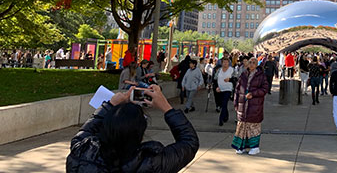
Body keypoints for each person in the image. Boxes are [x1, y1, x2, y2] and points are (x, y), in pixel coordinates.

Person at [66, 85, 199, 172]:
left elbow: (85, 132)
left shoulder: (81, 152)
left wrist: (110, 104)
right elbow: (189, 143)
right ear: (140, 134)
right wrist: (166, 107)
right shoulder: (151, 163)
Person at [232, 57, 269, 155]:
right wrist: (236, 102)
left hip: (255, 105)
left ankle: (255, 147)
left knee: (253, 127)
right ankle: (241, 146)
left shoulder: (261, 76)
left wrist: (253, 93)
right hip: (242, 104)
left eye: (254, 62)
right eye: (250, 62)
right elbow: (237, 89)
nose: (251, 64)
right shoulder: (243, 75)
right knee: (241, 126)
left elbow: (265, 89)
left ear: (257, 64)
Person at [216, 58, 234, 126]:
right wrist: (216, 87)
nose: (225, 63)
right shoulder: (219, 70)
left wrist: (230, 79)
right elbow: (215, 78)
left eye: (226, 62)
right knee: (223, 104)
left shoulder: (231, 70)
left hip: (228, 89)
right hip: (220, 89)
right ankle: (226, 115)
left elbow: (235, 78)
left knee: (224, 103)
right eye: (224, 62)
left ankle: (221, 119)